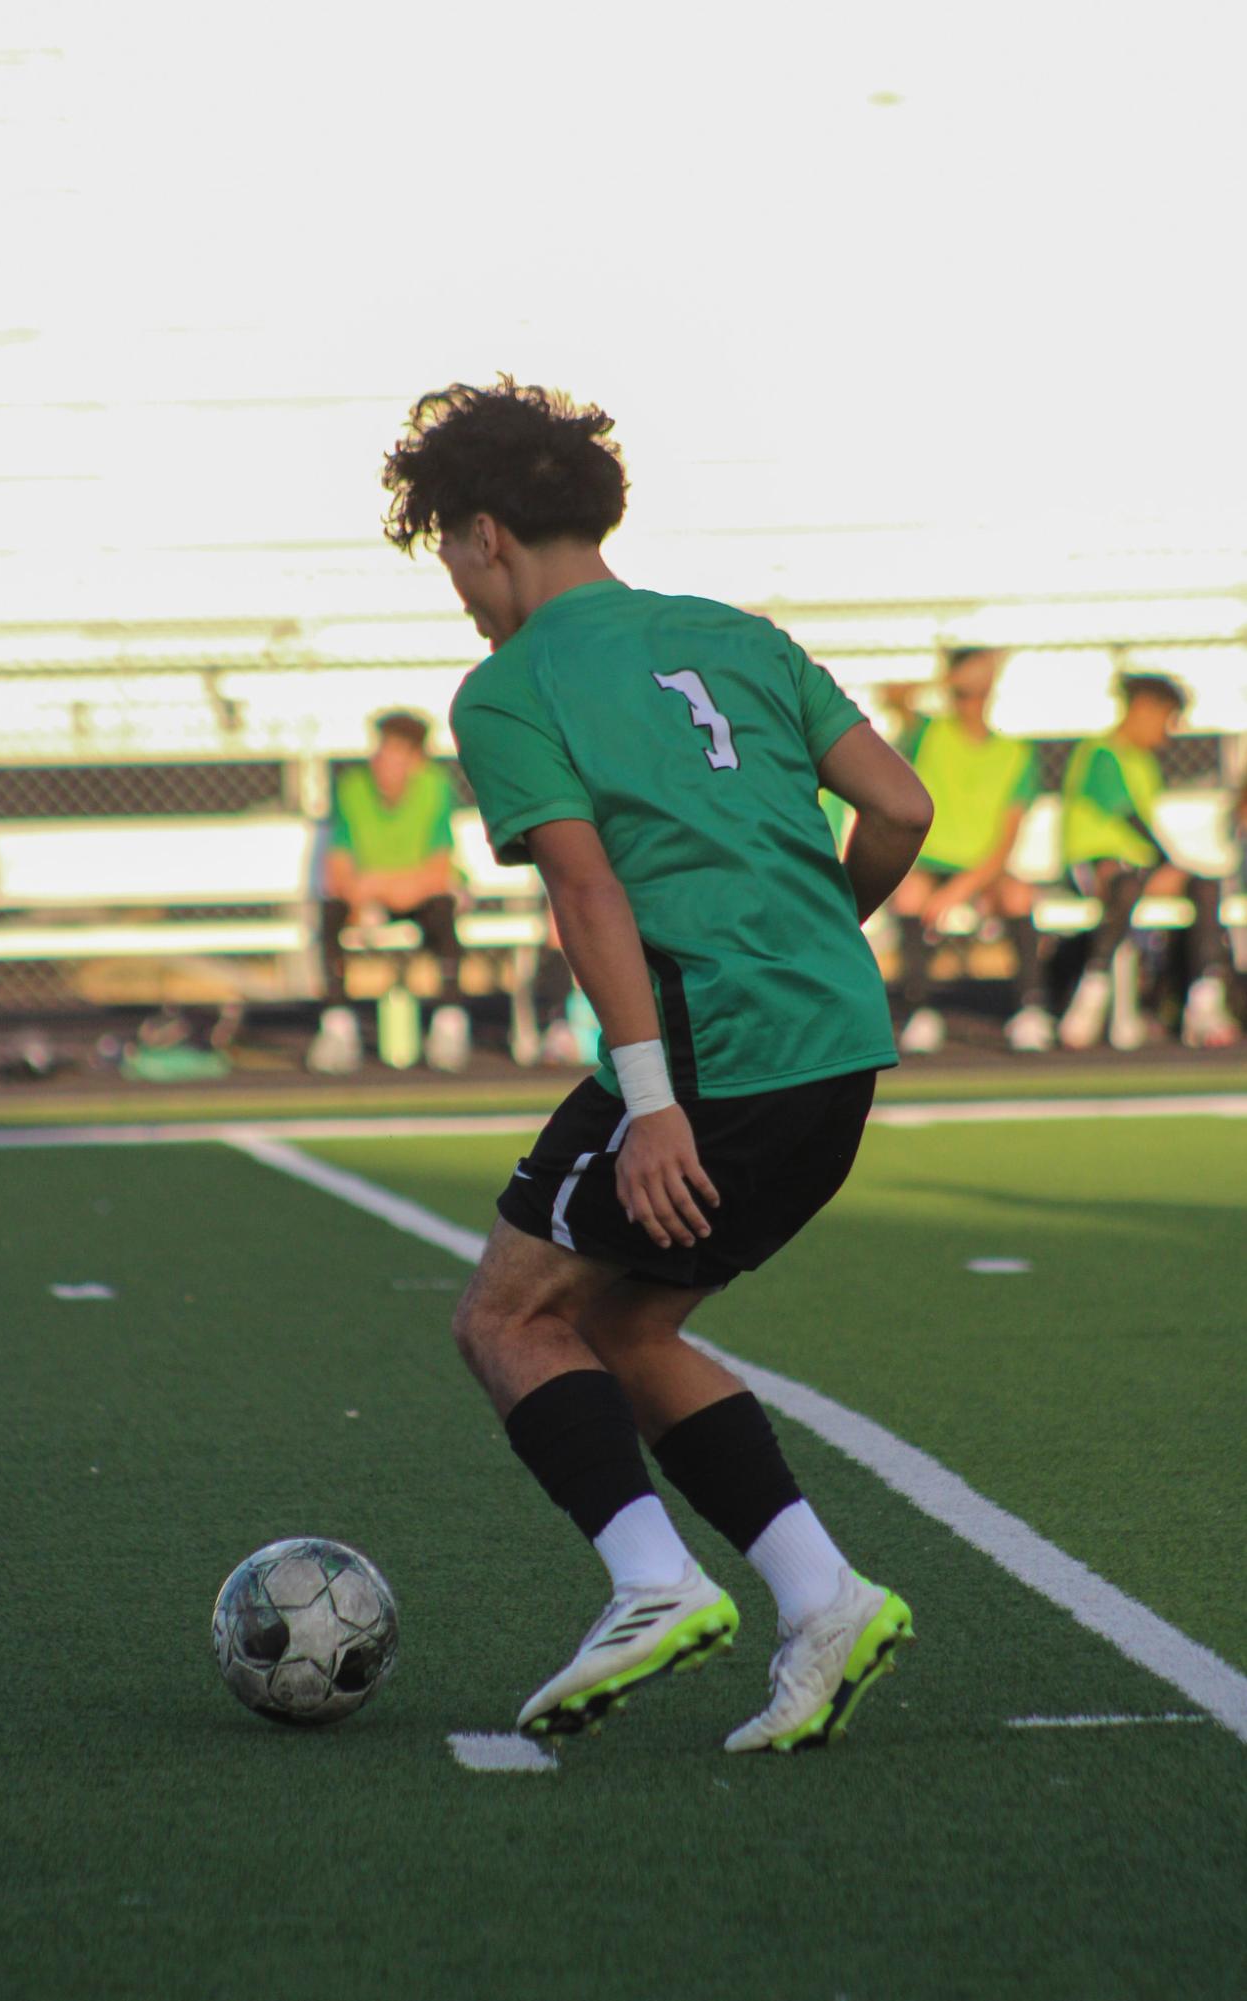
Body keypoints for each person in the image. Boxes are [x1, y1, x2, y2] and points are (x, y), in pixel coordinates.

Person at [380, 379, 933, 1751]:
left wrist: (649, 1103)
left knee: (506, 1319)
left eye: (446, 546)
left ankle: (651, 1582)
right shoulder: (735, 639)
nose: (452, 580)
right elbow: (901, 806)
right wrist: (816, 934)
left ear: (486, 531)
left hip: (711, 1050)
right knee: (627, 1327)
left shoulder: (509, 687)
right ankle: (823, 1599)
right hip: (835, 1043)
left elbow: (587, 895)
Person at [1059, 674, 1239, 1050]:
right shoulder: (1102, 753)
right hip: (1097, 865)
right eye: (1167, 717)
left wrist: (1170, 867)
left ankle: (1205, 1001)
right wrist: (1167, 862)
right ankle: (1089, 996)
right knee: (1126, 885)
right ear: (1142, 709)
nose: (1169, 731)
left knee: (1204, 886)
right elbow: (1128, 817)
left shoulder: (1144, 763)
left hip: (1138, 869)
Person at [892, 648, 1050, 1053]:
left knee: (1019, 894)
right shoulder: (928, 732)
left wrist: (960, 890)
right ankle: (920, 1010)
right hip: (930, 863)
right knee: (910, 893)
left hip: (982, 870)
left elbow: (1006, 843)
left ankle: (1029, 1010)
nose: (969, 702)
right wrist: (950, 679)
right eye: (963, 693)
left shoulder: (1015, 753)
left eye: (978, 692)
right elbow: (893, 694)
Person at [311, 711, 466, 1073]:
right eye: (381, 751)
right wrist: (368, 896)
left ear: (416, 758)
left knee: (444, 911)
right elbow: (337, 869)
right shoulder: (352, 787)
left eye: (395, 753)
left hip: (414, 899)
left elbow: (438, 872)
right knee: (329, 913)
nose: (383, 762)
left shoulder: (435, 786)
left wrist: (383, 887)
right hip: (364, 901)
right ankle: (337, 1026)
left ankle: (450, 1022)